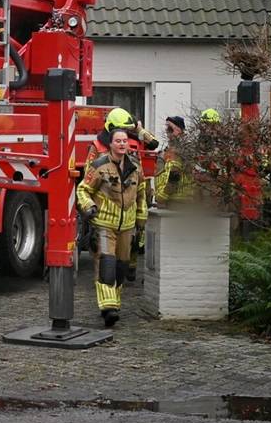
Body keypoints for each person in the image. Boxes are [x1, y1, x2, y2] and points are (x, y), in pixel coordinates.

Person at [77, 128, 148, 328]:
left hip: (127, 226)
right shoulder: (99, 166)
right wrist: (89, 207)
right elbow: (83, 189)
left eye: (125, 141)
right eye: (118, 141)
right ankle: (108, 308)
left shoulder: (135, 166)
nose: (122, 144)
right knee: (107, 264)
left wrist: (142, 217)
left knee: (121, 267)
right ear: (110, 144)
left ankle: (114, 304)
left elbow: (142, 193)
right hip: (104, 224)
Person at [83, 108, 158, 280]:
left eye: (127, 130)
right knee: (103, 245)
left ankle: (129, 267)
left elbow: (154, 143)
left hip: (133, 194)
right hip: (108, 200)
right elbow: (89, 173)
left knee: (134, 236)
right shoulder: (98, 147)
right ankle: (105, 280)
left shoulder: (131, 140)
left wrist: (139, 130)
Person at [155, 115, 195, 207]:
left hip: (181, 203)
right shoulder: (168, 149)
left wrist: (163, 195)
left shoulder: (186, 148)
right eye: (167, 128)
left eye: (170, 128)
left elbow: (175, 174)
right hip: (168, 201)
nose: (167, 132)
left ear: (180, 130)